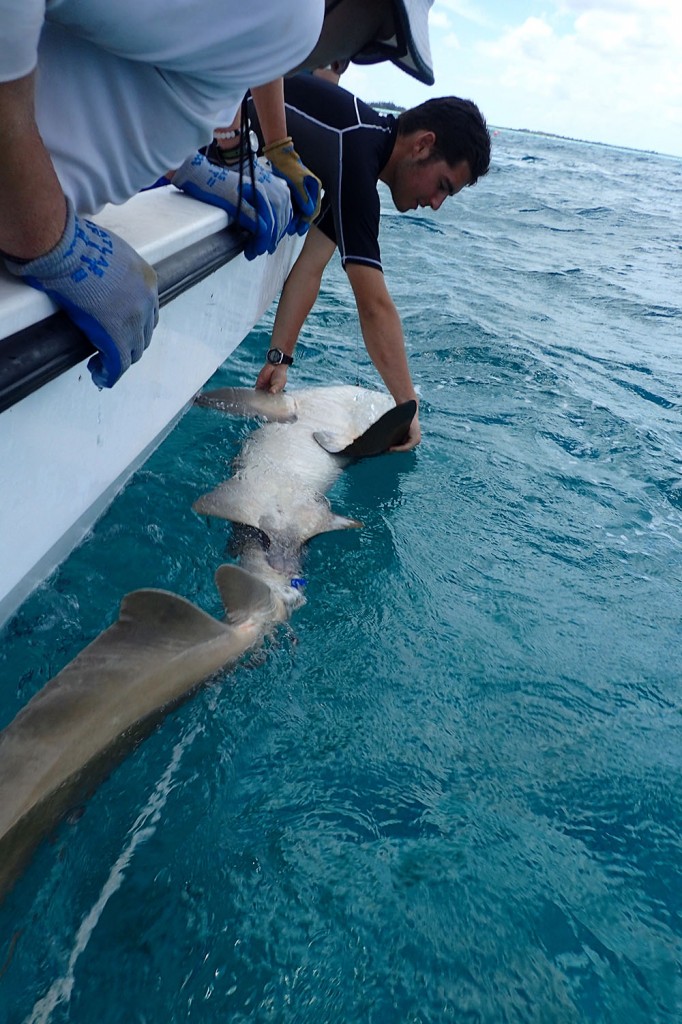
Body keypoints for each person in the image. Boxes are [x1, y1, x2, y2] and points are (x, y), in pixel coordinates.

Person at [0, 0, 434, 389]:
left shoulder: (269, 31)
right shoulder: (293, 16)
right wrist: (48, 239)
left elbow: (158, 63)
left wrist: (189, 161)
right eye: (380, 34)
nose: (356, 56)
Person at [247, 76, 491, 452]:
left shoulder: (357, 154)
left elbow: (310, 267)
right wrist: (407, 405)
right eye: (443, 185)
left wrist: (279, 359)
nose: (437, 203)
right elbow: (374, 307)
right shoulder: (357, 156)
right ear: (424, 144)